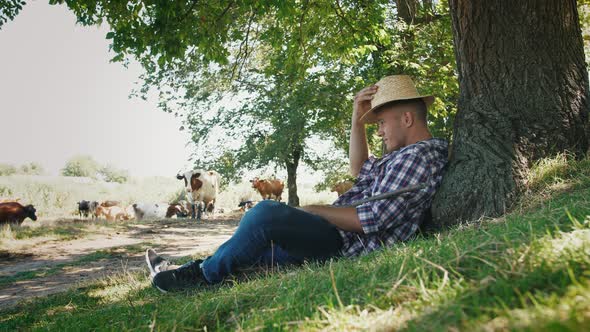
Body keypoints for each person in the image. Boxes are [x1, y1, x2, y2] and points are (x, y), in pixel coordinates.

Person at [146, 75, 449, 292]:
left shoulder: (418, 156)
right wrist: (357, 119)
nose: (379, 131)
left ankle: (201, 275)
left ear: (407, 119)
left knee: (265, 213)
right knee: (252, 253)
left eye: (382, 123)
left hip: (344, 242)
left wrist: (314, 211)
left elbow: (371, 218)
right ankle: (183, 272)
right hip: (336, 237)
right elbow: (359, 168)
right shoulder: (399, 157)